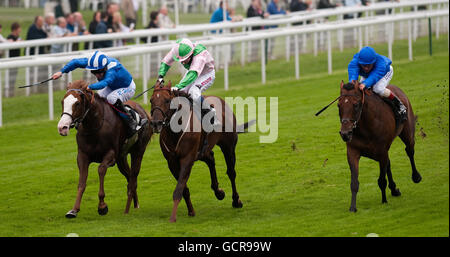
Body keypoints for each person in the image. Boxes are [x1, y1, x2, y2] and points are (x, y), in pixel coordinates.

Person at [52, 50, 147, 135]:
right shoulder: (92, 63)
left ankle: (131, 121)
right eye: (94, 72)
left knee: (111, 98)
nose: (98, 75)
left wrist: (89, 87)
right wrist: (61, 72)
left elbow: (105, 83)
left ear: (105, 67)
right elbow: (75, 62)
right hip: (111, 86)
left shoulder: (112, 69)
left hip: (127, 87)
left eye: (100, 71)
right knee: (98, 97)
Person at [157, 38, 220, 128]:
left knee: (193, 92)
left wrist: (178, 86)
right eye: (180, 60)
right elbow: (166, 61)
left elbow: (193, 74)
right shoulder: (177, 50)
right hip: (193, 71)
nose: (182, 62)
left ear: (191, 54)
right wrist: (160, 77)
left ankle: (210, 112)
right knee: (180, 93)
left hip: (206, 74)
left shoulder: (200, 54)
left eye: (185, 59)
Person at [348, 46, 407, 122]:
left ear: (374, 62)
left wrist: (365, 83)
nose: (366, 68)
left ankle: (399, 105)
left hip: (385, 72)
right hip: (368, 75)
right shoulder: (355, 62)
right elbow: (353, 72)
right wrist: (353, 82)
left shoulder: (380, 63)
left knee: (378, 89)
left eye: (368, 65)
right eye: (363, 65)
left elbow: (374, 77)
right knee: (359, 90)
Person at [6, 22, 22, 96]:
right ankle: (8, 92)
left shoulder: (18, 37)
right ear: (15, 29)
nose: (20, 30)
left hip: (16, 60)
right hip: (10, 60)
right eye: (19, 28)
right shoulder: (10, 37)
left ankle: (11, 92)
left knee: (14, 77)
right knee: (10, 77)